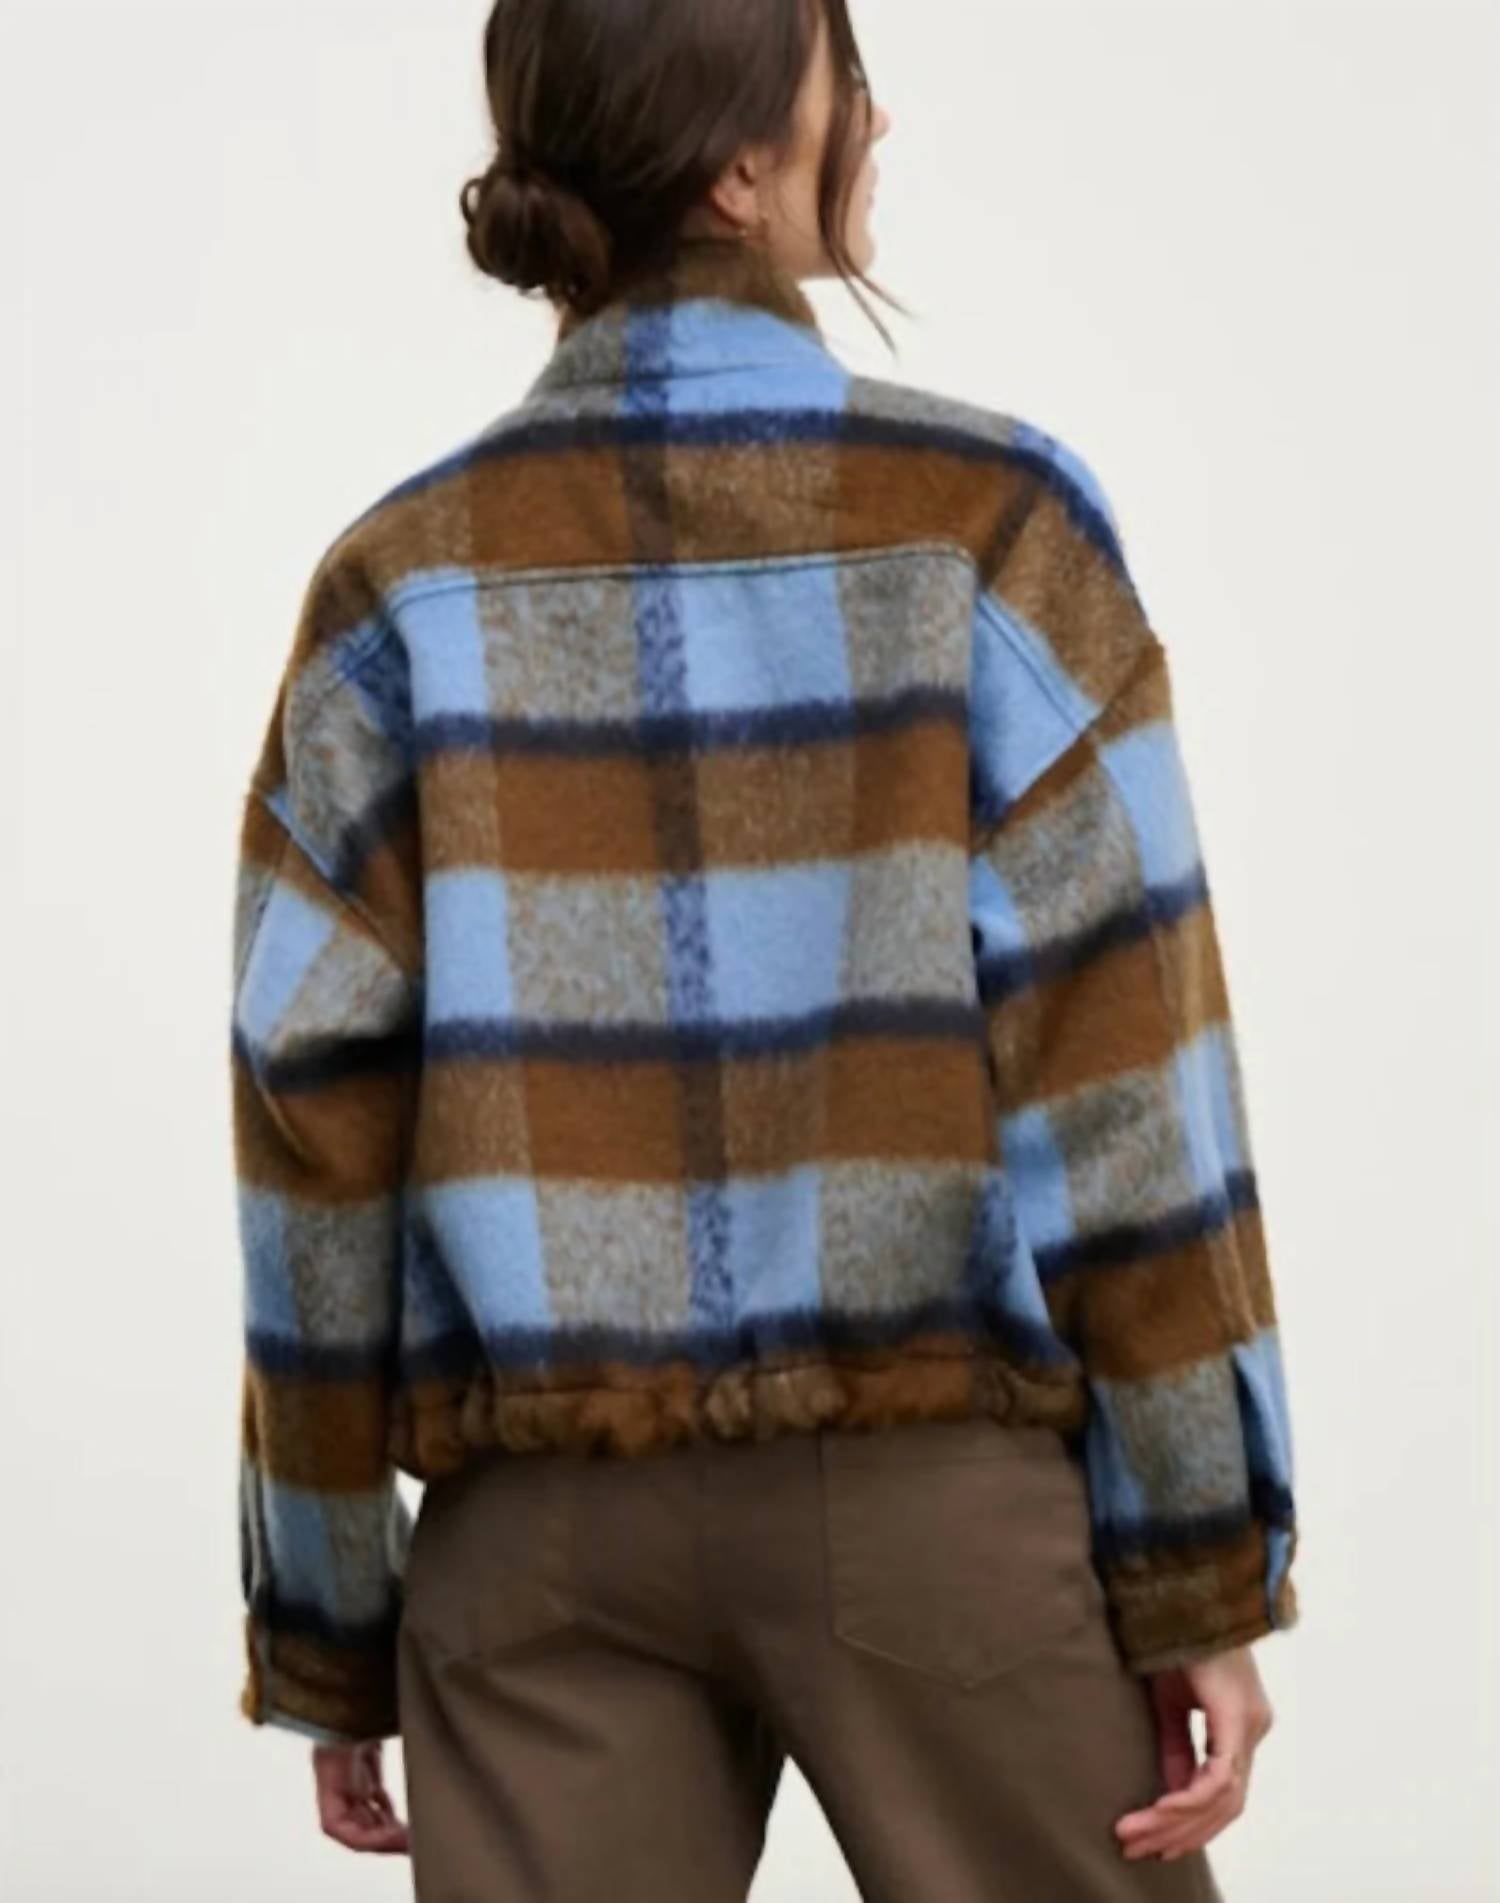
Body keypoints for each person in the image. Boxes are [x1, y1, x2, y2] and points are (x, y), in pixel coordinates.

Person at [228, 0, 1300, 1895]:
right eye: (841, 76)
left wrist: (328, 1620)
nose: (874, 118)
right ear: (741, 168)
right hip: (937, 1512)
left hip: (536, 1549)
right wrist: (1199, 1561)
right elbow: (1123, 1080)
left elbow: (310, 1130)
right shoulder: (991, 531)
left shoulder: (395, 587)